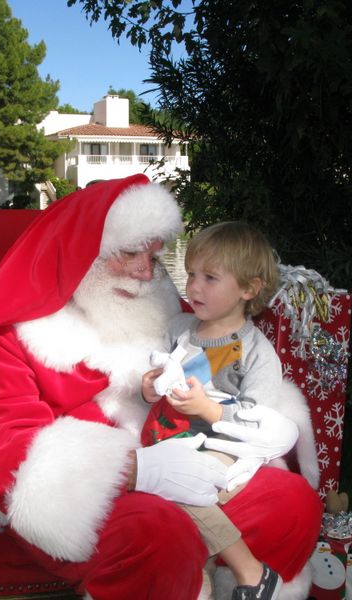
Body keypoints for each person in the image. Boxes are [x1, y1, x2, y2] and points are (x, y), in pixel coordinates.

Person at [0, 174, 323, 600]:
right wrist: (135, 469)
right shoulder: (9, 334)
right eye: (128, 253)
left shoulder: (162, 308)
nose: (144, 271)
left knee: (292, 502)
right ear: (82, 252)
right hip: (86, 494)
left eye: (153, 256)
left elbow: (218, 372)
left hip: (186, 461)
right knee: (157, 533)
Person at [141, 221, 296, 600]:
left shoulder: (257, 352)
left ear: (248, 288)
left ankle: (251, 571)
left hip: (223, 446)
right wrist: (148, 388)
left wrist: (208, 409)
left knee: (177, 484)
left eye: (210, 278)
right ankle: (201, 577)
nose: (193, 286)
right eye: (192, 274)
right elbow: (159, 374)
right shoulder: (180, 328)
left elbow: (254, 421)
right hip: (169, 436)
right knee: (158, 484)